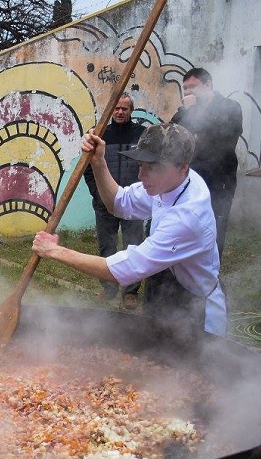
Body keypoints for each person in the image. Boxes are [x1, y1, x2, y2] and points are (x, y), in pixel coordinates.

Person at [32, 123, 227, 336]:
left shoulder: (188, 216)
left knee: (190, 368)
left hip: (196, 311)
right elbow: (118, 202)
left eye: (153, 167)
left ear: (183, 167)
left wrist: (54, 251)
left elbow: (121, 270)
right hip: (166, 293)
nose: (142, 175)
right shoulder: (169, 183)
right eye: (141, 164)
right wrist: (98, 162)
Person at [83, 92, 146, 309]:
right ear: (111, 110)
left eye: (125, 109)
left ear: (131, 111)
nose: (120, 112)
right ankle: (109, 287)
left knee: (134, 246)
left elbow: (148, 165)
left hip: (134, 203)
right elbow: (88, 168)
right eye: (117, 108)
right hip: (104, 204)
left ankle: (131, 291)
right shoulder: (100, 134)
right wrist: (97, 193)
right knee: (106, 245)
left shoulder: (141, 135)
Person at [170, 67, 242, 257]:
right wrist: (188, 112)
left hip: (219, 183)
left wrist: (195, 127)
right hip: (190, 181)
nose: (187, 92)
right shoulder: (185, 111)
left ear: (208, 85)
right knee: (187, 229)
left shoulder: (230, 107)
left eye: (192, 87)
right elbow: (173, 136)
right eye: (185, 88)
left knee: (214, 231)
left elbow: (223, 139)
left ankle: (210, 277)